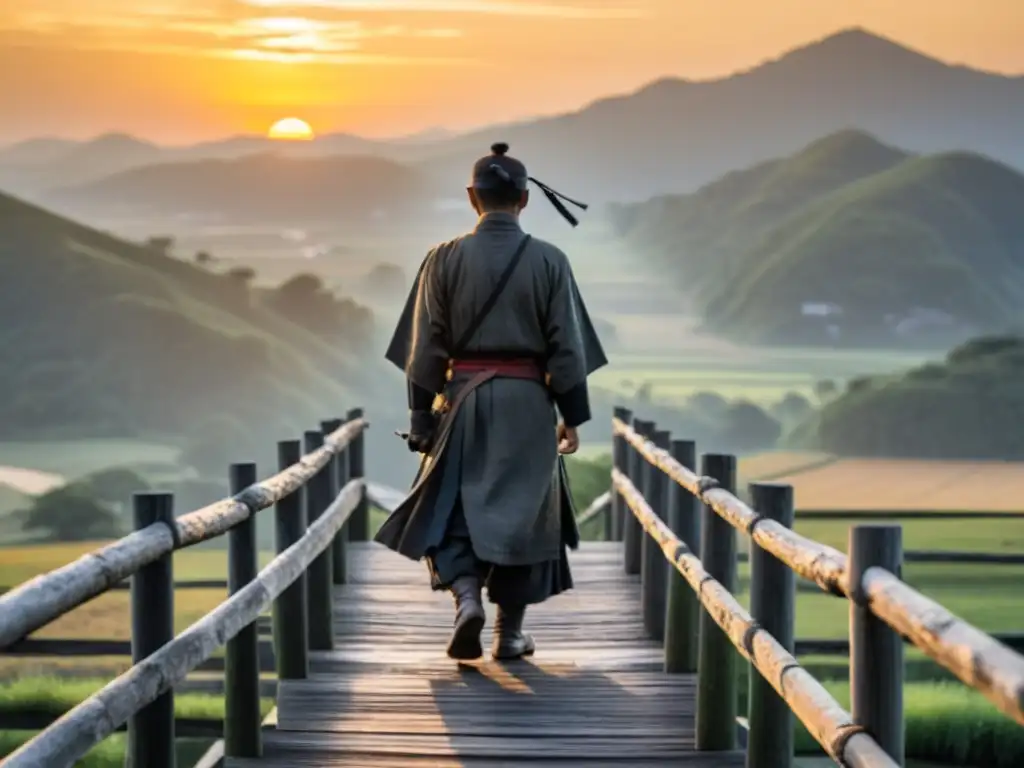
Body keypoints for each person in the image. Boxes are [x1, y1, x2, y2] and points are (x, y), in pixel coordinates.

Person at [376, 142, 607, 661]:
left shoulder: (443, 258)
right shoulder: (550, 260)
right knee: (525, 514)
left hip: (461, 403)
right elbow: (566, 348)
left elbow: (425, 350)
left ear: (471, 198)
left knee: (451, 506)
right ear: (524, 200)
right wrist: (572, 416)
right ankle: (509, 634)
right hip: (528, 406)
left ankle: (465, 601)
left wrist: (420, 417)